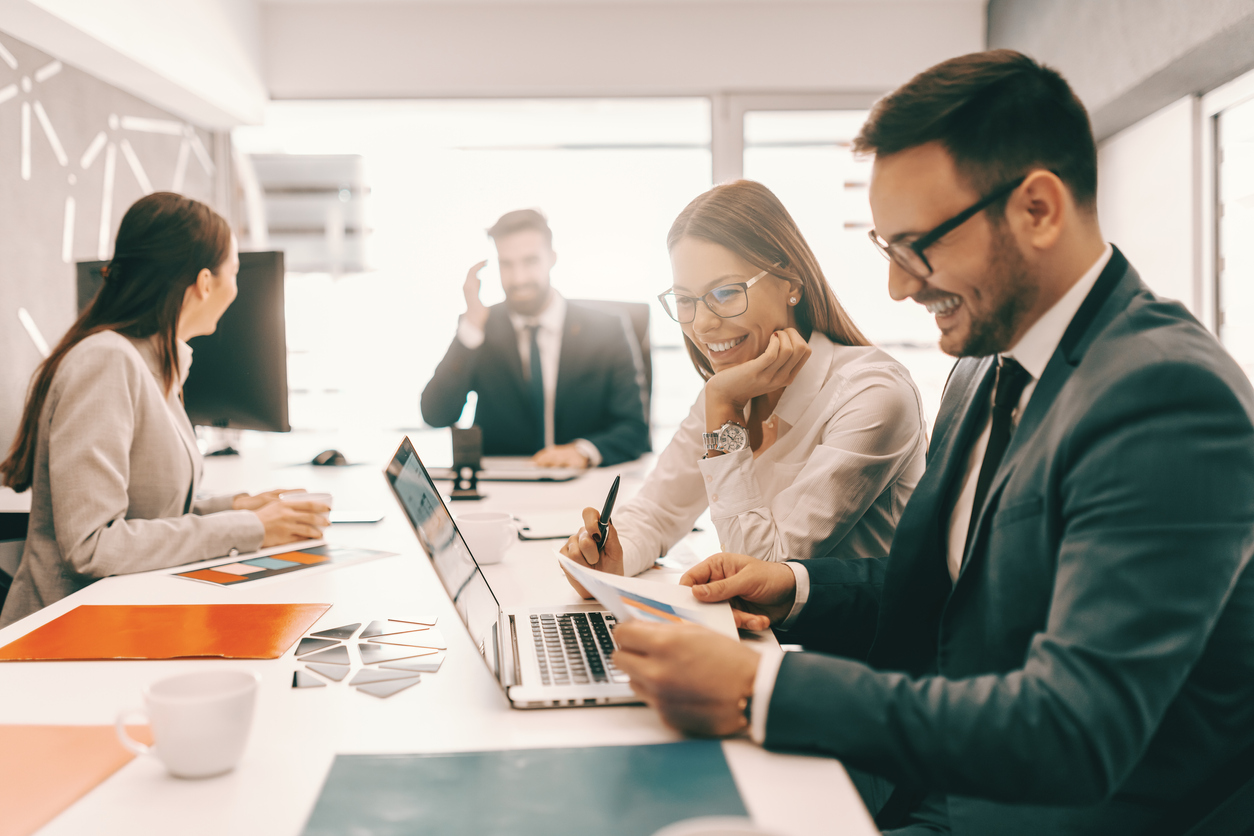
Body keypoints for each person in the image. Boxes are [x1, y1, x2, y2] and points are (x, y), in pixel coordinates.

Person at [606, 51, 1254, 836]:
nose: (898, 287)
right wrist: (792, 587)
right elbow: (961, 597)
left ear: (1039, 210)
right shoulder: (985, 364)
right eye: (887, 250)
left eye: (919, 247)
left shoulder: (1165, 398)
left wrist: (761, 690)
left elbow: (1073, 730)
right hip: (943, 780)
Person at [560, 180, 927, 585]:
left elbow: (759, 567)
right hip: (758, 636)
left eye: (725, 292)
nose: (702, 324)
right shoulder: (730, 389)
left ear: (791, 284)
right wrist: (610, 558)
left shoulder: (870, 394)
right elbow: (659, 513)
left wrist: (722, 413)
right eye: (685, 300)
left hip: (846, 645)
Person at [0, 193, 328, 628]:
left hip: (117, 618)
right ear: (205, 282)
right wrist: (251, 530)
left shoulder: (156, 365)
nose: (237, 287)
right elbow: (93, 546)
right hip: (60, 634)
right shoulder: (106, 362)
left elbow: (149, 516)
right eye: (235, 272)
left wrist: (241, 509)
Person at [420, 209, 649, 468]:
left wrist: (582, 452)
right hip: (504, 490)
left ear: (551, 258)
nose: (518, 279)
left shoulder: (607, 329)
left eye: (530, 261)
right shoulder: (481, 328)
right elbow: (435, 414)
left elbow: (634, 429)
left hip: (582, 484)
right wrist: (471, 329)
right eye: (506, 264)